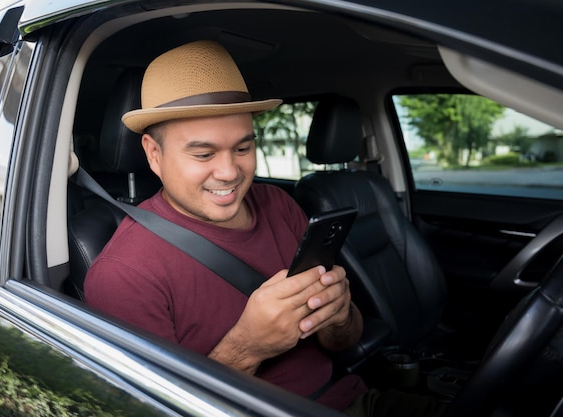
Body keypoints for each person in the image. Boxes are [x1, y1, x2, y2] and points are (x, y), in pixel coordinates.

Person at [84, 40, 446, 417]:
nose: (229, 173)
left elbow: (344, 340)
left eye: (242, 148)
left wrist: (340, 315)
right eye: (204, 154)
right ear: (154, 154)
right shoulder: (123, 274)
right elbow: (157, 409)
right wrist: (248, 346)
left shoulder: (279, 205)